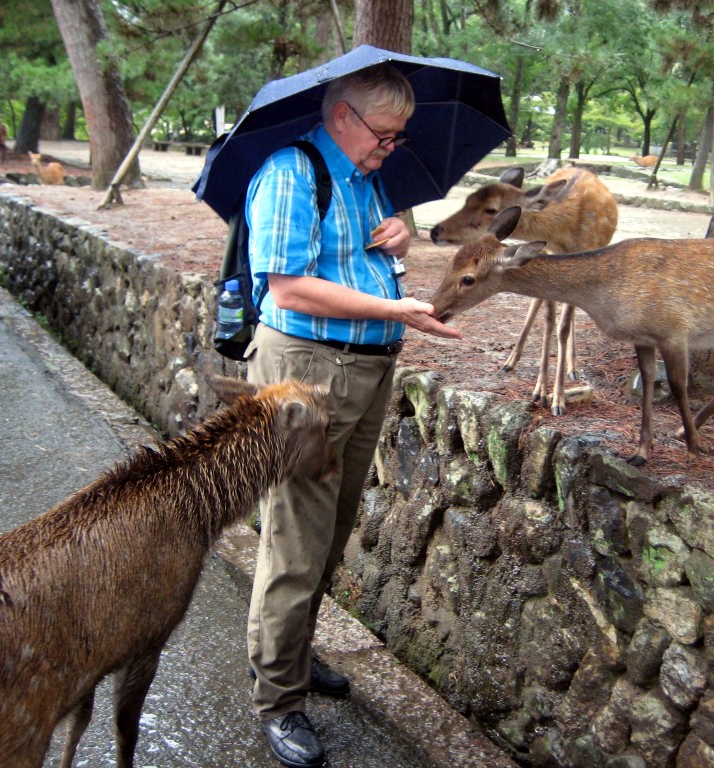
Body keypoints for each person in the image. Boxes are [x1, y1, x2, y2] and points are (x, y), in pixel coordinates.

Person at [243, 63, 461, 768]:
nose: (390, 148)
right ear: (343, 116)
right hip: (307, 370)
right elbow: (290, 288)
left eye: (400, 138)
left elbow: (362, 260)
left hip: (363, 369)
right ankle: (278, 696)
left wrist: (399, 240)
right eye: (385, 135)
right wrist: (396, 308)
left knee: (332, 524)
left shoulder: (366, 178)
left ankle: (295, 654)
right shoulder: (291, 172)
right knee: (295, 536)